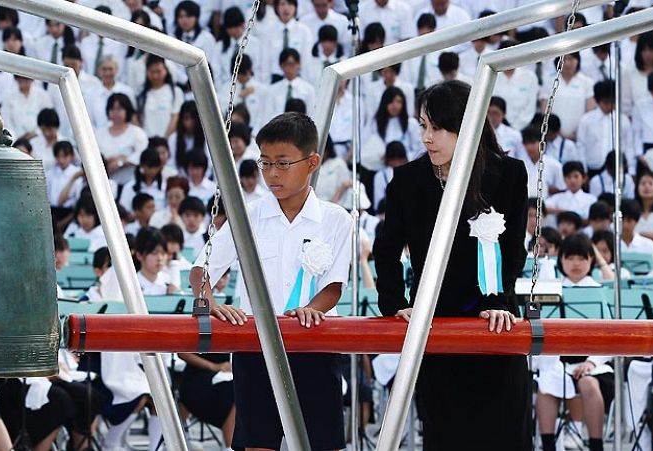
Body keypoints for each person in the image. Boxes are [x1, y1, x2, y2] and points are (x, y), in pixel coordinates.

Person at [373, 80, 531, 450]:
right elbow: (386, 248)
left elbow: (512, 249)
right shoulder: (407, 180)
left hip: (495, 324)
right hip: (434, 324)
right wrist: (395, 303)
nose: (427, 138)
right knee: (445, 435)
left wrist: (497, 300)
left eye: (437, 128)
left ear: (468, 125)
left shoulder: (508, 174)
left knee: (504, 434)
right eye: (423, 126)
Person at [190, 112, 352, 450]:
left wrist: (310, 309)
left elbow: (334, 286)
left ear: (312, 163)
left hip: (315, 345)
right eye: (264, 163)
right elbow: (202, 268)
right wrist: (209, 304)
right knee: (257, 443)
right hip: (255, 346)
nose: (271, 174)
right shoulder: (245, 213)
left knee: (321, 443)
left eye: (282, 163)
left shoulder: (336, 219)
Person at [536, 233, 614, 451]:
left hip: (592, 365)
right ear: (561, 260)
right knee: (546, 384)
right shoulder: (552, 290)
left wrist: (591, 363)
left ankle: (596, 444)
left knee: (588, 383)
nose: (576, 264)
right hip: (557, 361)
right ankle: (548, 444)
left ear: (591, 260)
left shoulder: (599, 291)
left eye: (582, 258)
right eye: (570, 258)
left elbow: (610, 337)